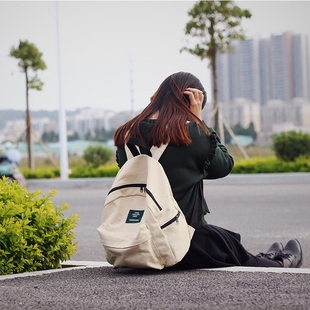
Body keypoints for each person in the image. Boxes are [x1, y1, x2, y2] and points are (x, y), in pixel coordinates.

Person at [114, 71, 303, 269]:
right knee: (216, 241)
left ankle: (264, 258)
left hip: (135, 243)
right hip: (178, 244)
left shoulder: (125, 136)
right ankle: (278, 263)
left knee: (224, 242)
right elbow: (223, 165)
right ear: (189, 103)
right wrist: (198, 121)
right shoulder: (189, 135)